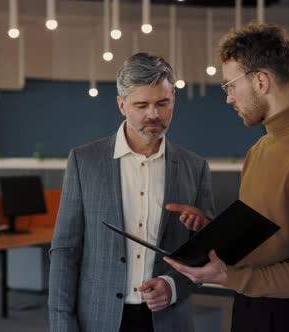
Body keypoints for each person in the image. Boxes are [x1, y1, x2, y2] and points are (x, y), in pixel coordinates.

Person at [164, 23, 289, 332]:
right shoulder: (260, 148)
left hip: (286, 319)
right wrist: (212, 232)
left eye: (230, 86)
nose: (228, 98)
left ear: (260, 81)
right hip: (248, 309)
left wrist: (227, 277)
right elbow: (265, 240)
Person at [48, 53, 215, 332]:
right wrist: (61, 324)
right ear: (121, 104)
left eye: (163, 103)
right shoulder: (84, 161)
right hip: (98, 318)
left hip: (168, 320)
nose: (154, 114)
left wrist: (173, 285)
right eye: (142, 105)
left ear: (173, 100)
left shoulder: (195, 168)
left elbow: (204, 253)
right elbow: (65, 251)